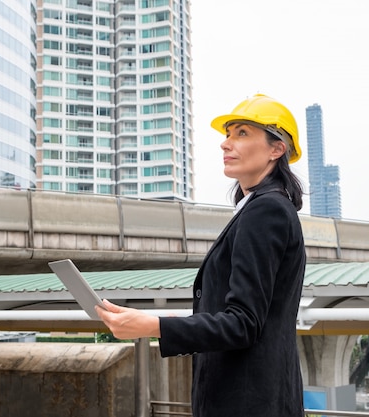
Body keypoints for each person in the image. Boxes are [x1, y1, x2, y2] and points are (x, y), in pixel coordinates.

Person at [96, 94, 306, 417]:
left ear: (276, 149)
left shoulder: (266, 211)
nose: (226, 143)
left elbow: (243, 323)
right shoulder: (261, 208)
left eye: (242, 133)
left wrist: (153, 326)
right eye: (227, 134)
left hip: (248, 405)